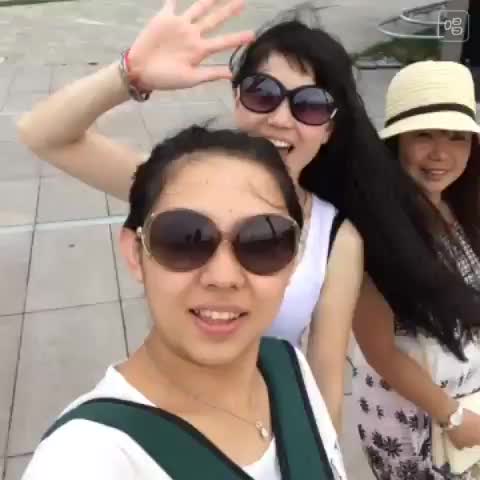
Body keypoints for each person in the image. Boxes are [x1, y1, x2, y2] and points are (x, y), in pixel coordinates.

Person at [17, 0, 366, 431]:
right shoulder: (178, 189)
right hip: (166, 418)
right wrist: (129, 74)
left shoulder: (335, 236)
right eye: (262, 93)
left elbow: (325, 380)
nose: (280, 118)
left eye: (310, 105)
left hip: (265, 429)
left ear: (329, 127)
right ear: (237, 98)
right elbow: (42, 134)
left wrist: (317, 456)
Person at [22, 125, 347, 480]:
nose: (223, 277)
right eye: (183, 239)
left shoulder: (288, 367)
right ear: (135, 253)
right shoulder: (84, 457)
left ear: (295, 258)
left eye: (264, 241)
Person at [352, 60, 480, 479]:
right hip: (415, 417)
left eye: (457, 137)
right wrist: (452, 416)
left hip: (467, 402)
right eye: (424, 134)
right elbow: (380, 349)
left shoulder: (459, 207)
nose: (441, 153)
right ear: (397, 143)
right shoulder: (377, 230)